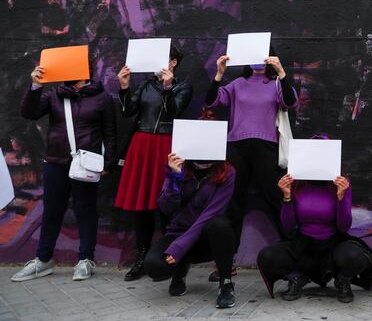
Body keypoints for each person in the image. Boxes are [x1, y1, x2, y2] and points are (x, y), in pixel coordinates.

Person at [12, 60, 116, 282]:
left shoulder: (102, 97)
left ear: (85, 70)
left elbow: (110, 132)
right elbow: (29, 113)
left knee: (85, 210)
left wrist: (108, 163)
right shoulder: (53, 95)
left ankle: (86, 260)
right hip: (56, 161)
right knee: (52, 211)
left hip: (86, 163)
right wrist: (35, 86)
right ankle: (43, 260)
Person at [114, 46, 193, 281]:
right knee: (142, 206)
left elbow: (173, 112)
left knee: (167, 204)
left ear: (173, 63)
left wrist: (168, 87)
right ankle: (141, 258)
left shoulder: (183, 86)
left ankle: (169, 258)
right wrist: (125, 86)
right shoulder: (147, 84)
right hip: (142, 144)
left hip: (166, 146)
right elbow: (128, 111)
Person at [205, 52, 298, 251]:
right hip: (237, 147)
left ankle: (293, 253)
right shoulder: (238, 84)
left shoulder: (275, 84)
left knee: (276, 197)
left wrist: (281, 72)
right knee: (233, 201)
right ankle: (227, 260)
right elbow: (211, 102)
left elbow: (290, 103)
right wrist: (219, 74)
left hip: (266, 147)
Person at [256, 164, 372, 303]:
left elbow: (344, 226)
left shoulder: (341, 183)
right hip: (304, 248)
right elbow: (288, 227)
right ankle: (296, 277)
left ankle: (343, 280)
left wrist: (341, 198)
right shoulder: (296, 184)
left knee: (356, 256)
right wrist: (287, 197)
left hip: (334, 246)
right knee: (266, 256)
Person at [143, 152, 236, 309]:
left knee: (220, 225)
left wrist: (179, 248)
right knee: (154, 266)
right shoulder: (180, 166)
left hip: (206, 238)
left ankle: (226, 282)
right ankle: (180, 269)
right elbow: (166, 208)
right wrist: (175, 176)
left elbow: (210, 214)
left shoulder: (227, 172)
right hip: (178, 232)